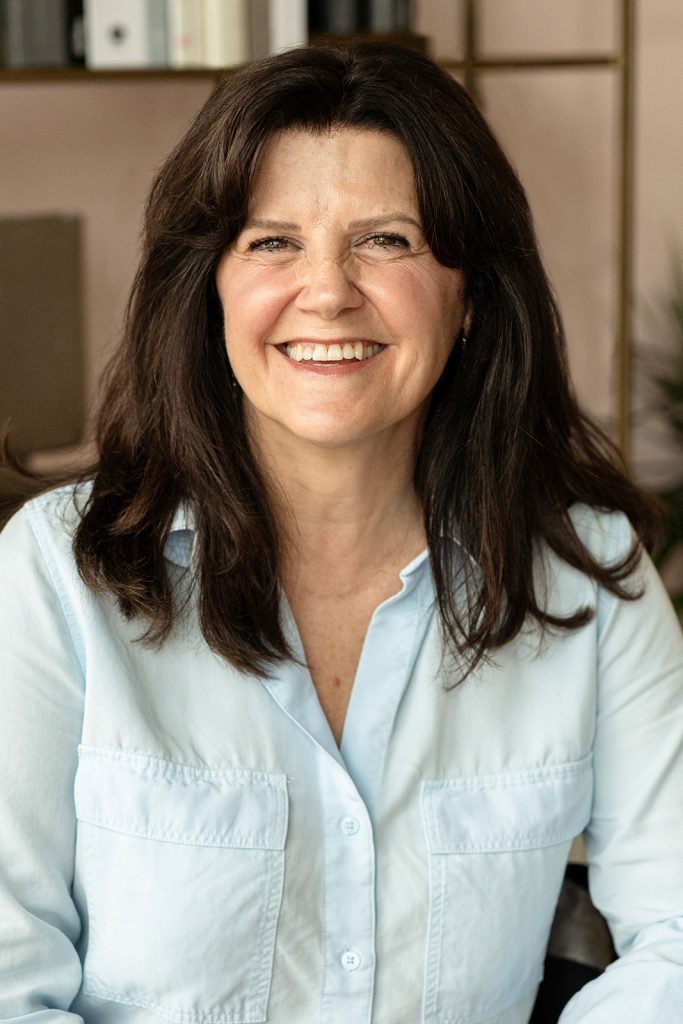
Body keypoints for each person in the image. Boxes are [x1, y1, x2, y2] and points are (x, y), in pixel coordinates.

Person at [0, 41, 681, 1024]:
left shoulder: (588, 578)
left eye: (386, 240)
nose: (327, 291)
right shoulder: (56, 578)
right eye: (272, 241)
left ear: (471, 298)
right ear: (210, 290)